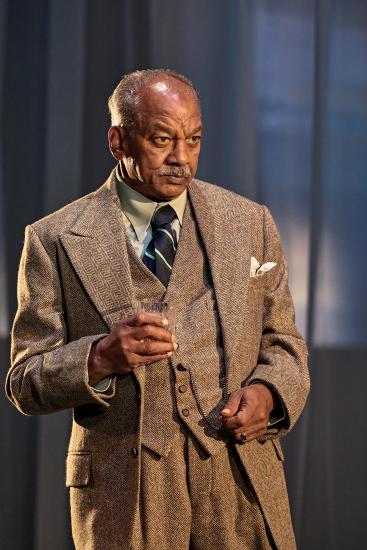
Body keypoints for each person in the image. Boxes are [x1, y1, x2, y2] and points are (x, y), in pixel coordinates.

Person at [6, 68, 309, 550]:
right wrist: (99, 357)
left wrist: (270, 395)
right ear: (118, 140)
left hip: (240, 481)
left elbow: (284, 344)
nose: (181, 159)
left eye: (193, 139)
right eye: (162, 139)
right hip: (123, 495)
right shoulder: (53, 239)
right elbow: (24, 382)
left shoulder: (250, 223)